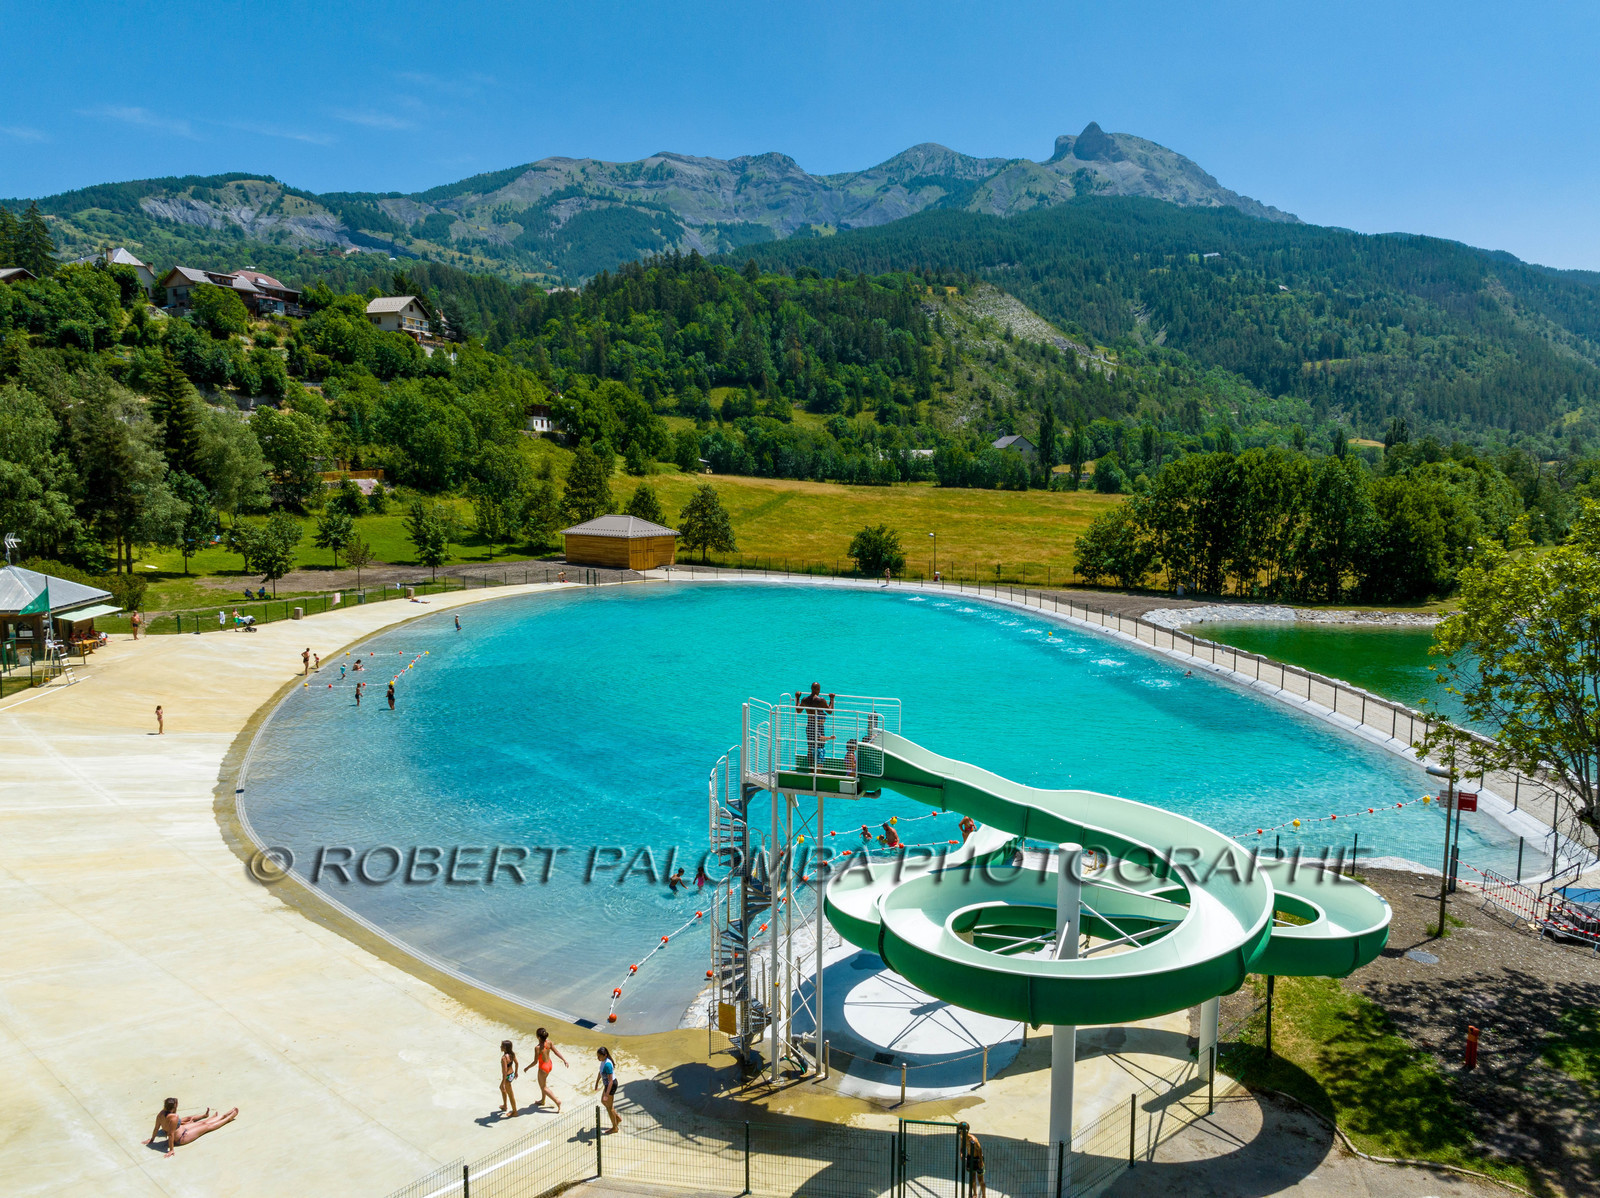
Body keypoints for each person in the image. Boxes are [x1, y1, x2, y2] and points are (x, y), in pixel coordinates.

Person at [145, 1098, 238, 1157]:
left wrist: (152, 1140)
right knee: (207, 1126)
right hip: (181, 1137)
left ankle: (222, 1116)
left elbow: (156, 1128)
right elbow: (171, 1134)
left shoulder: (160, 1114)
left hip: (182, 1129)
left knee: (202, 1123)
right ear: (173, 1107)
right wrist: (171, 1150)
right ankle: (228, 1118)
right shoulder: (174, 1117)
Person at [794, 684, 835, 764]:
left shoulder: (805, 700)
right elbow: (830, 711)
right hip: (818, 725)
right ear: (818, 690)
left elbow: (798, 711)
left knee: (810, 747)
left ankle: (811, 767)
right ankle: (818, 766)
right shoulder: (821, 700)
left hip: (809, 725)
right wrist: (832, 699)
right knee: (819, 746)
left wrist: (797, 697)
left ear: (811, 689)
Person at [532, 1028, 568, 1111]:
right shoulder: (549, 1042)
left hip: (543, 1068)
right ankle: (542, 1100)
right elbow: (556, 1052)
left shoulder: (537, 1048)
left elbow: (535, 1062)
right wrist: (564, 1060)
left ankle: (557, 1101)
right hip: (549, 1065)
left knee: (543, 1087)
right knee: (543, 1084)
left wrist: (527, 1067)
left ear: (538, 1037)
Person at [594, 1047, 620, 1133]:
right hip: (607, 1085)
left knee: (609, 1107)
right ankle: (617, 1118)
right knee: (604, 1101)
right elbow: (600, 1072)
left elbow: (611, 1081)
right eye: (597, 1056)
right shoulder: (603, 1061)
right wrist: (596, 1083)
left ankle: (615, 1128)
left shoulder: (608, 1064)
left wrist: (606, 1094)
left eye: (599, 1056)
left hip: (611, 1085)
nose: (598, 1058)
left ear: (605, 1055)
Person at [499, 1039, 520, 1116]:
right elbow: (517, 1063)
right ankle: (505, 1105)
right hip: (512, 1074)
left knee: (510, 1094)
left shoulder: (504, 1058)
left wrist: (503, 1082)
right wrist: (516, 1072)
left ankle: (515, 1112)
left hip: (507, 1076)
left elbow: (505, 1071)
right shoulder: (512, 1054)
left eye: (502, 1046)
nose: (500, 1047)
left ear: (505, 1048)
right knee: (502, 1089)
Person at [963, 1130, 986, 1198]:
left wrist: (981, 1161)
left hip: (977, 1159)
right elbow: (962, 1147)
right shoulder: (963, 1138)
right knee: (972, 1179)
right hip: (970, 1159)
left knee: (980, 1180)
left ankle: (984, 1195)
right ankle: (975, 1194)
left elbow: (980, 1150)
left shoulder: (974, 1139)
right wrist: (962, 1154)